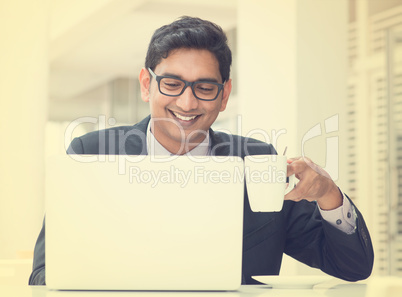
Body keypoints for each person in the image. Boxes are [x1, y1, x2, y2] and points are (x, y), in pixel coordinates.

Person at [29, 16, 374, 286]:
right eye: (172, 83)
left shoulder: (259, 162)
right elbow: (44, 274)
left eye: (204, 87)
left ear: (224, 95)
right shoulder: (91, 153)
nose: (187, 101)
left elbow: (352, 266)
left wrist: (329, 193)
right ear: (147, 85)